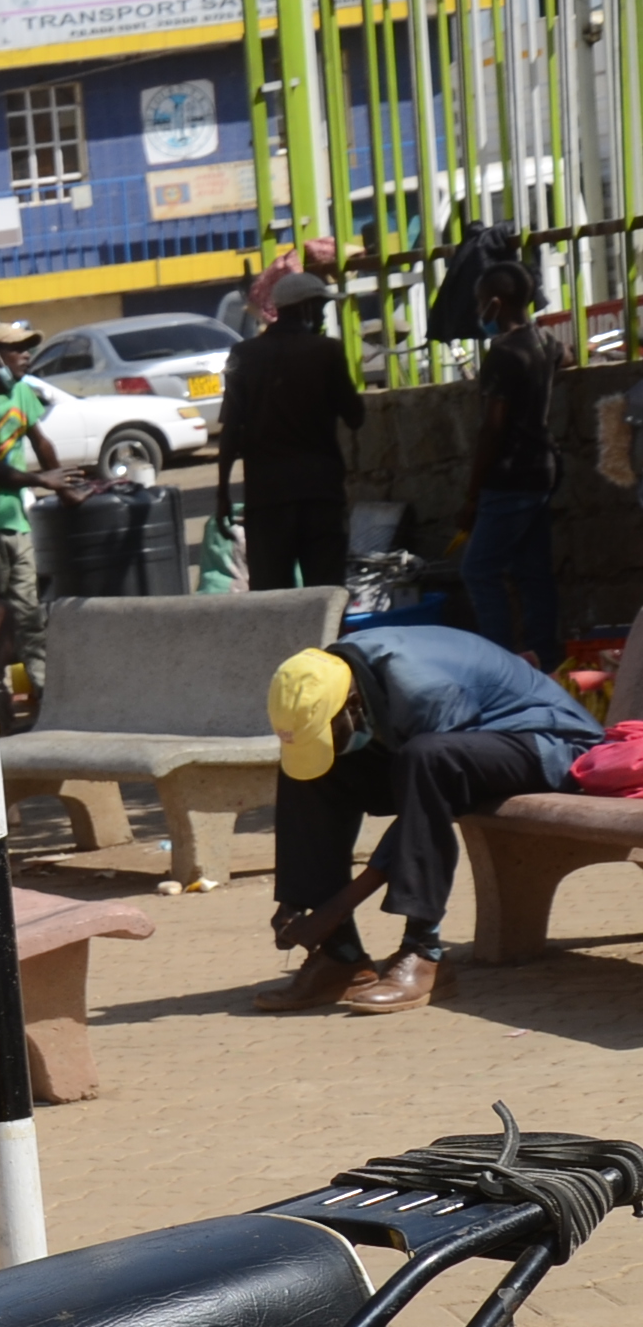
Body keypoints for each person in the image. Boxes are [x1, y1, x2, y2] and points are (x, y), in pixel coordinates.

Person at [257, 630, 598, 1015]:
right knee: (307, 773)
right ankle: (340, 955)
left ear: (352, 703)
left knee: (428, 757)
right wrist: (297, 900)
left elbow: (431, 797)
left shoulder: (428, 690)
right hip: (457, 751)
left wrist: (338, 905)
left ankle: (424, 951)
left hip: (546, 745)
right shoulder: (329, 675)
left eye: (332, 730)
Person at [217, 268, 364, 592]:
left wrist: (222, 494)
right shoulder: (326, 351)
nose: (323, 316)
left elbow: (230, 432)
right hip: (320, 496)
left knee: (273, 599)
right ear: (307, 308)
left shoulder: (244, 355)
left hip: (266, 500)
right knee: (325, 595)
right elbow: (356, 416)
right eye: (321, 308)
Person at [464, 261, 564, 668]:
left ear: (495, 303)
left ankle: (500, 662)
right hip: (542, 469)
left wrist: (472, 495)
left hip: (510, 475)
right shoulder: (545, 341)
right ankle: (546, 657)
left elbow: (492, 428)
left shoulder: (503, 353)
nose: (479, 312)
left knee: (478, 570)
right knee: (532, 570)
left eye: (480, 304)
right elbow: (567, 358)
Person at [0, 322, 63, 688]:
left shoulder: (22, 392)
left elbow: (41, 442)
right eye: (17, 349)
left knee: (29, 613)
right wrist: (44, 481)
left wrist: (66, 486)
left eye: (27, 348)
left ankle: (43, 690)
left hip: (17, 523)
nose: (26, 355)